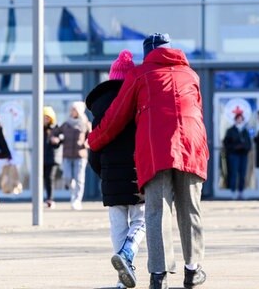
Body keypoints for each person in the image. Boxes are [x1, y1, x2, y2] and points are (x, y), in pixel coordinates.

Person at [88, 33, 209, 289]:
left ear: (147, 54)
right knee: (190, 208)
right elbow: (197, 111)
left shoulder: (140, 74)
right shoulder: (191, 75)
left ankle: (158, 275)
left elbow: (116, 117)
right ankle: (193, 269)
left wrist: (94, 140)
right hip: (192, 144)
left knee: (156, 210)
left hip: (156, 147)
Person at [86, 50, 146, 289]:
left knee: (117, 224)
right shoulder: (138, 104)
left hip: (110, 176)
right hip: (137, 172)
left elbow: (94, 149)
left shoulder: (99, 110)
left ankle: (122, 278)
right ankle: (128, 252)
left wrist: (104, 174)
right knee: (141, 219)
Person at [52, 101, 91, 211]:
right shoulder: (66, 123)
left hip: (80, 155)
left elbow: (91, 135)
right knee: (67, 177)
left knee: (79, 179)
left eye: (74, 109)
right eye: (71, 109)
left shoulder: (85, 124)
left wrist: (88, 142)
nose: (71, 111)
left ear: (79, 111)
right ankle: (72, 193)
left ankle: (77, 200)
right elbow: (55, 132)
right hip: (67, 155)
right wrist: (56, 139)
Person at [223, 113, 251, 200]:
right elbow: (226, 143)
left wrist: (244, 147)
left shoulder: (245, 131)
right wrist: (234, 147)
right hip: (234, 155)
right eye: (238, 119)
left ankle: (241, 192)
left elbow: (249, 144)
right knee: (233, 174)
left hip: (243, 155)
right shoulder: (230, 130)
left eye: (241, 119)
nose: (239, 121)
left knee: (242, 174)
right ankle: (233, 192)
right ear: (235, 120)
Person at [43, 106, 61, 209]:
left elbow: (61, 140)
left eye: (47, 117)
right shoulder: (38, 128)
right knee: (42, 178)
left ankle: (50, 198)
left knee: (49, 178)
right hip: (41, 158)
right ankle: (42, 198)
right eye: (44, 117)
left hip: (52, 158)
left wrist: (57, 141)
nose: (46, 119)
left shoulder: (55, 128)